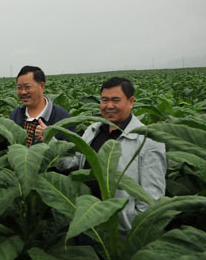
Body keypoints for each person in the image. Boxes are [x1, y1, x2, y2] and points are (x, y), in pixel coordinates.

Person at [60, 77, 166, 232]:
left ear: (131, 101)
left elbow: (152, 198)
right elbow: (76, 161)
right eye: (104, 100)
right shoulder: (93, 130)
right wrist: (50, 146)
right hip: (86, 223)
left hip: (119, 232)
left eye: (116, 100)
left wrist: (131, 227)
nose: (109, 106)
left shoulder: (148, 141)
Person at [9, 65, 73, 146]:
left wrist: (50, 139)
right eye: (19, 87)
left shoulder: (63, 118)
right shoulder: (15, 114)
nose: (23, 92)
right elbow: (3, 146)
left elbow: (71, 154)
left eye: (27, 87)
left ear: (42, 86)